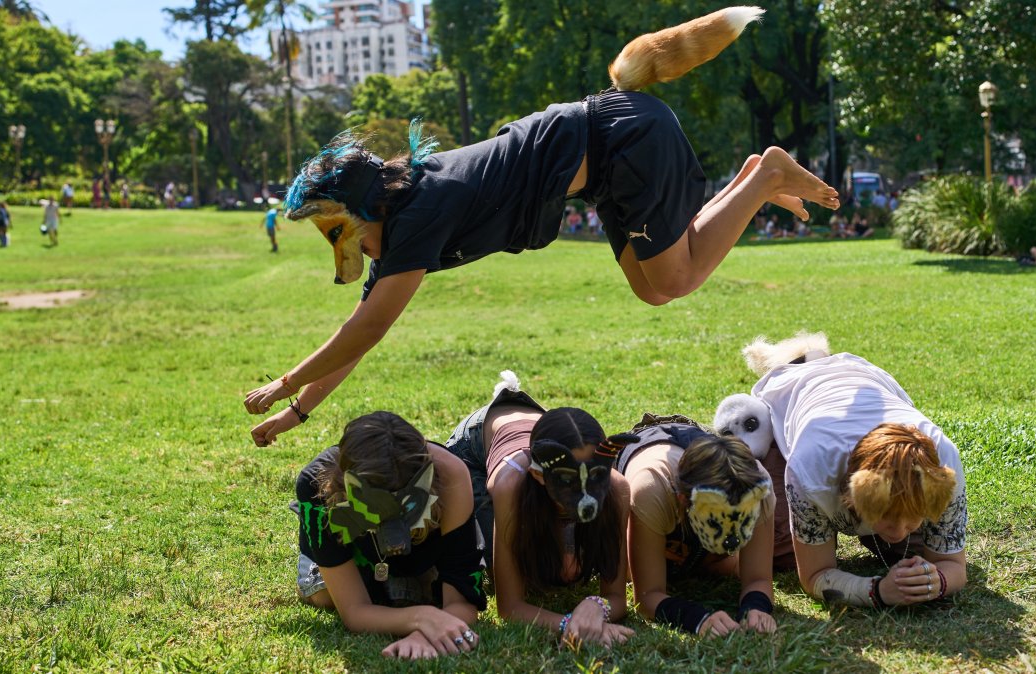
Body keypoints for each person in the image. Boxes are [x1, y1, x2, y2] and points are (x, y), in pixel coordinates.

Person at [242, 7, 839, 426]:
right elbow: (360, 335)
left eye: (337, 231)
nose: (343, 249)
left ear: (366, 208)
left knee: (674, 279)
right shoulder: (399, 225)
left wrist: (287, 384)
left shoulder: (417, 212)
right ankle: (754, 180)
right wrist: (298, 411)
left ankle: (763, 178)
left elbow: (364, 331)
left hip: (623, 137)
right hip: (606, 159)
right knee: (654, 290)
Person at [746, 334, 967, 610]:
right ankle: (801, 360)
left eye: (911, 519)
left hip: (864, 380)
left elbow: (954, 566)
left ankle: (812, 356)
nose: (899, 531)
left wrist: (936, 581)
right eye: (887, 518)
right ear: (857, 494)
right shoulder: (810, 469)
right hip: (795, 394)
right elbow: (813, 576)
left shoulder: (944, 467)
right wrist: (877, 592)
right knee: (781, 551)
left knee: (909, 552)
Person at [439, 374, 635, 647]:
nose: (585, 495)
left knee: (567, 570)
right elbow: (510, 607)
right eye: (567, 482)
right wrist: (572, 626)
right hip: (478, 444)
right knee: (522, 568)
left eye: (594, 477)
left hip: (539, 427)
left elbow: (616, 595)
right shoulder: (511, 484)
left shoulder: (616, 487)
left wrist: (595, 606)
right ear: (540, 475)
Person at [293, 412, 487, 660]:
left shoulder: (450, 474)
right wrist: (424, 617)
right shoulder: (315, 483)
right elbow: (354, 611)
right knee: (324, 595)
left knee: (423, 594)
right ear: (348, 486)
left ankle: (403, 586)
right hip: (356, 557)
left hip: (422, 558)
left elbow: (461, 601)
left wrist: (424, 635)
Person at [618, 415, 777, 637]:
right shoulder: (651, 488)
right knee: (623, 570)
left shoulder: (759, 488)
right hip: (655, 474)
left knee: (724, 563)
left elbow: (758, 578)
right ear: (683, 499)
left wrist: (757, 608)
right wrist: (695, 618)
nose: (731, 536)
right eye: (716, 518)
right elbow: (646, 596)